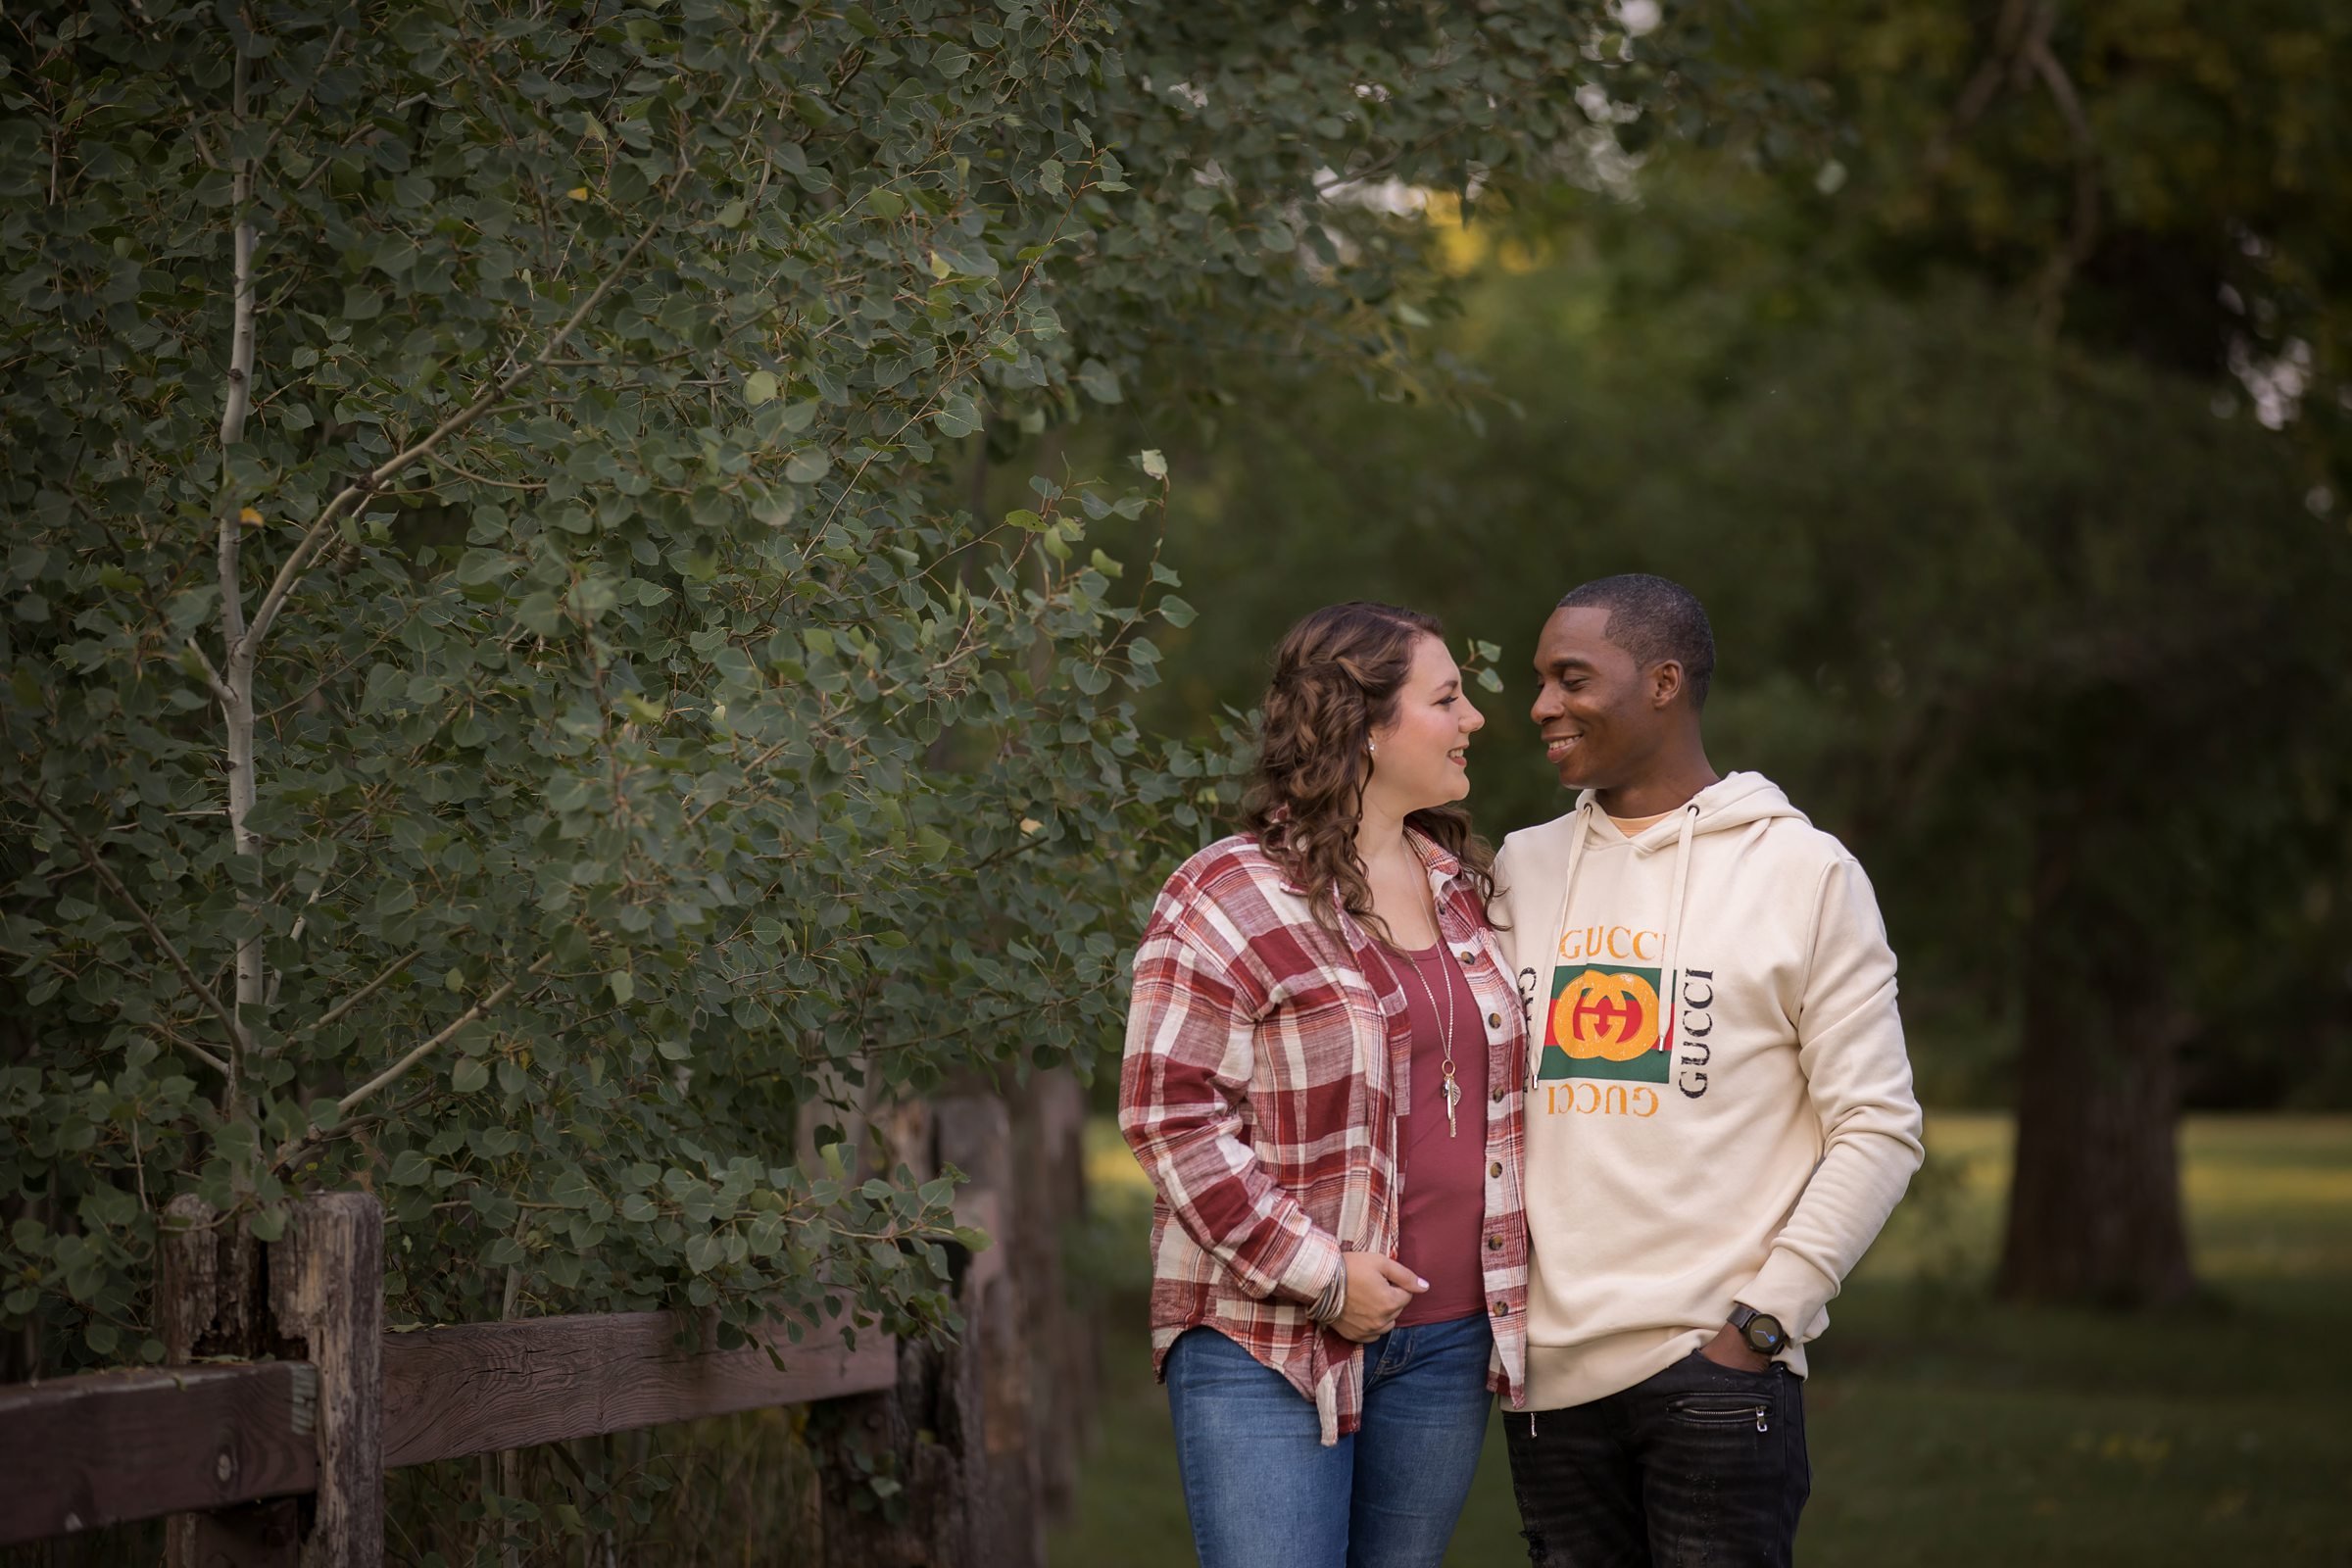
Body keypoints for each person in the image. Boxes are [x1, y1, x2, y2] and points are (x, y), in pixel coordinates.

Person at [1493, 574, 1925, 1567]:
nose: (1542, 706)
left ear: (1663, 682)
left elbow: (1879, 1126)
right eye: (1539, 681)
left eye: (1570, 678)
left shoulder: (1804, 873)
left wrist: (1765, 1322)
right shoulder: (1518, 868)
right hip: (1547, 1382)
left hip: (1718, 1372)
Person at [1119, 602, 1532, 1568]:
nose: (1474, 719)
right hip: (1265, 1337)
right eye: (1447, 698)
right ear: (1367, 723)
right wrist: (1326, 1274)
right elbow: (1170, 1116)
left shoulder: (1466, 891)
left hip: (1445, 1340)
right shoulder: (1226, 894)